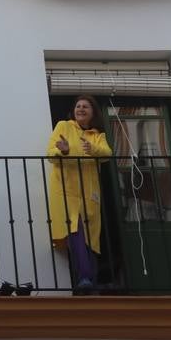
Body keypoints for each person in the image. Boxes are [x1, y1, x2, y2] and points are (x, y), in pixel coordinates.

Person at [46, 95, 113, 294]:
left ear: (93, 113)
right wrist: (64, 152)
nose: (81, 109)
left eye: (85, 106)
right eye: (78, 106)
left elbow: (107, 153)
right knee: (74, 230)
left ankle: (89, 281)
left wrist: (93, 149)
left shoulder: (97, 135)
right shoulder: (63, 126)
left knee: (91, 237)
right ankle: (84, 276)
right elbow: (50, 153)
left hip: (89, 193)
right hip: (66, 190)